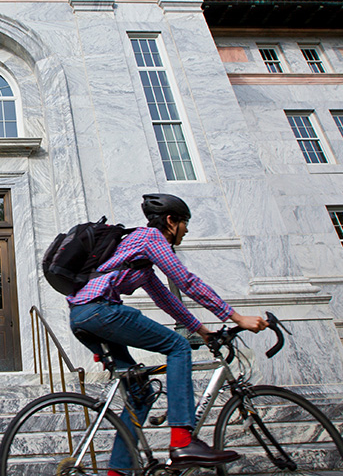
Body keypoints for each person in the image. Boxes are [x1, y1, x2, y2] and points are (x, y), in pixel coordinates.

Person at [67, 193, 268, 475]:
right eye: (185, 224)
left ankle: (117, 471)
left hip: (83, 316)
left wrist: (202, 331)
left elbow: (167, 299)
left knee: (139, 396)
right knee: (178, 347)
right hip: (101, 311)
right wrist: (236, 317)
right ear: (171, 221)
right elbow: (186, 281)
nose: (186, 231)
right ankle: (182, 440)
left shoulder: (139, 256)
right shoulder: (151, 238)